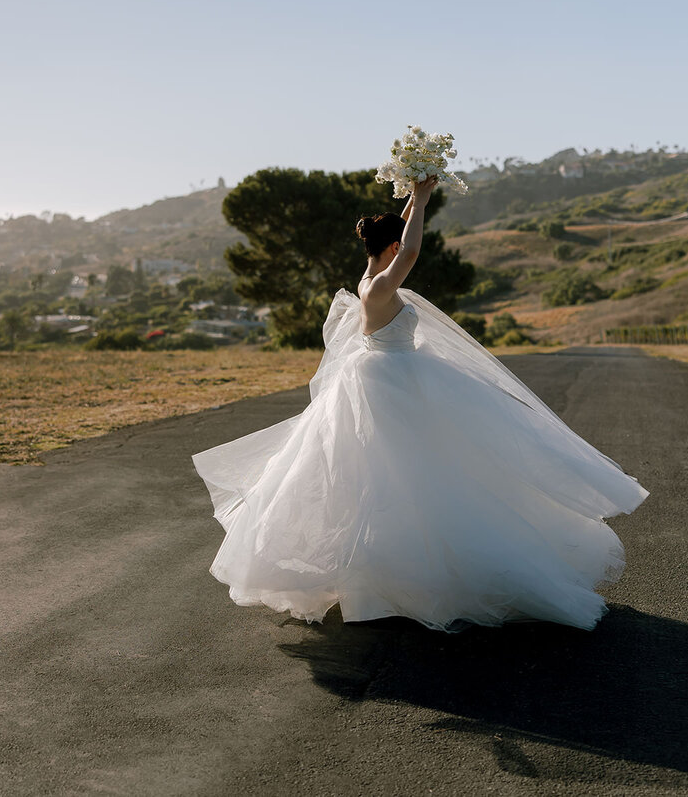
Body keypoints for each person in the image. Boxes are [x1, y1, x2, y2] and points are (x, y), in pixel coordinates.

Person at [191, 175, 648, 633]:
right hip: (392, 382)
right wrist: (425, 200)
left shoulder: (369, 277)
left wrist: (413, 197)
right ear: (391, 248)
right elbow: (410, 252)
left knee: (404, 476)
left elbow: (399, 242)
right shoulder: (376, 290)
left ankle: (377, 584)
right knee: (402, 478)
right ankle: (392, 582)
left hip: (394, 374)